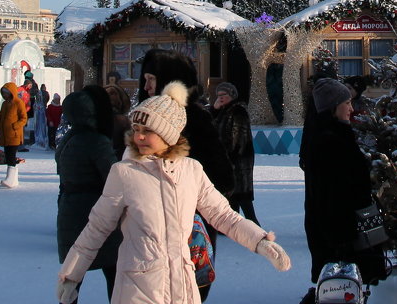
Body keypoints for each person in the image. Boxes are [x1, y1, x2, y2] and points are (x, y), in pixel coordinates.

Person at [55, 82, 291, 304]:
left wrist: (259, 241)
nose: (139, 136)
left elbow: (223, 215)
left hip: (183, 288)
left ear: (168, 134)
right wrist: (71, 275)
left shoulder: (192, 171)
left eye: (148, 130)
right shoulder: (124, 173)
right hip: (137, 288)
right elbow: (97, 228)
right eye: (136, 129)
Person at [137, 49, 234, 302]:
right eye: (144, 79)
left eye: (151, 79)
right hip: (148, 230)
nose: (146, 87)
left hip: (189, 231)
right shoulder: (141, 122)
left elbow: (221, 176)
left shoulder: (195, 120)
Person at [302, 77, 387, 293]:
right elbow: (330, 196)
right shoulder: (329, 140)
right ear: (333, 107)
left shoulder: (338, 134)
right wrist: (342, 239)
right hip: (342, 234)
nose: (351, 108)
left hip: (347, 230)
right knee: (340, 288)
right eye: (346, 103)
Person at [56, 88, 121, 301]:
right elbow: (113, 178)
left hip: (70, 209)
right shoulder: (96, 141)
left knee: (74, 274)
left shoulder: (67, 139)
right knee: (114, 271)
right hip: (96, 212)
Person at [211, 82, 258, 224]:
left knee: (242, 196)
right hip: (228, 160)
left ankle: (254, 226)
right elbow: (210, 127)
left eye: (223, 95)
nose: (220, 98)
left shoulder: (238, 111)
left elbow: (239, 138)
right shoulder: (223, 111)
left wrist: (230, 158)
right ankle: (230, 225)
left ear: (232, 95)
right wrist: (214, 110)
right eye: (218, 95)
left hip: (238, 161)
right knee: (232, 195)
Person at [0, 82, 28, 187]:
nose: (5, 95)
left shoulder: (18, 103)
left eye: (6, 92)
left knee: (11, 156)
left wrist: (15, 126)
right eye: (3, 93)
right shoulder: (5, 104)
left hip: (14, 134)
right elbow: (1, 117)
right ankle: (13, 179)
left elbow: (24, 118)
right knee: (8, 155)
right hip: (5, 134)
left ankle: (10, 179)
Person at [102, 84, 132, 160]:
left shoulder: (123, 121)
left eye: (112, 93)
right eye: (105, 94)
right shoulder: (123, 121)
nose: (109, 96)